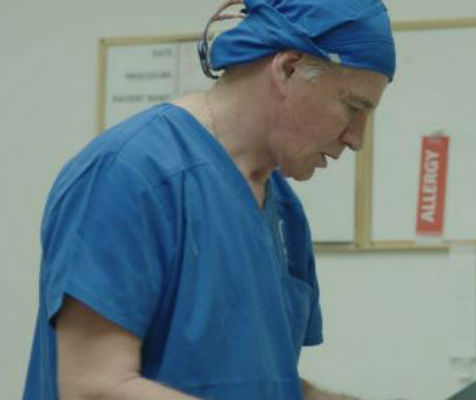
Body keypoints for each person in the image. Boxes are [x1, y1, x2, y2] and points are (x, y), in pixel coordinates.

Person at [22, 0, 396, 398]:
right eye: (353, 107)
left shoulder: (284, 213)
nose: (357, 138)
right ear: (288, 69)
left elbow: (262, 381)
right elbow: (93, 387)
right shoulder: (130, 175)